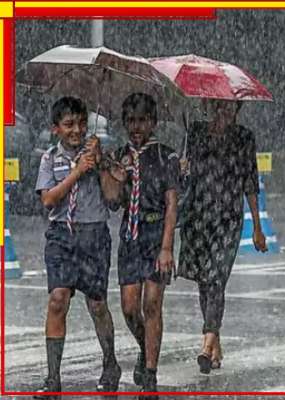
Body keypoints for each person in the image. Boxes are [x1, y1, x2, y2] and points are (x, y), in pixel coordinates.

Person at [34, 97, 122, 398]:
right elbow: (48, 200)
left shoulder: (99, 155)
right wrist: (76, 171)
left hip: (94, 235)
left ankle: (110, 362)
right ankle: (52, 377)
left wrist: (99, 166)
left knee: (97, 305)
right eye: (69, 125)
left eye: (81, 124)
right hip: (62, 235)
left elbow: (113, 200)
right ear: (55, 128)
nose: (76, 130)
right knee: (58, 299)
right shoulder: (49, 158)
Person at [177, 99, 267, 374]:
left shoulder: (243, 138)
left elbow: (250, 181)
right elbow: (185, 176)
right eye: (218, 107)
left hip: (228, 219)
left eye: (229, 108)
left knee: (216, 278)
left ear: (237, 111)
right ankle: (215, 340)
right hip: (197, 217)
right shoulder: (195, 133)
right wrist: (182, 169)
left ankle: (206, 344)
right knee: (205, 282)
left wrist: (257, 227)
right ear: (208, 106)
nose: (223, 113)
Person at [107, 93, 179, 398]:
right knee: (129, 308)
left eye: (143, 120)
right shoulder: (119, 155)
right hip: (130, 236)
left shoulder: (166, 156)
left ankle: (150, 375)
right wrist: (116, 177)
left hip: (155, 234)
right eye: (131, 121)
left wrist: (166, 248)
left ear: (153, 123)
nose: (136, 127)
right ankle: (144, 346)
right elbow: (112, 202)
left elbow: (172, 205)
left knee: (152, 303)